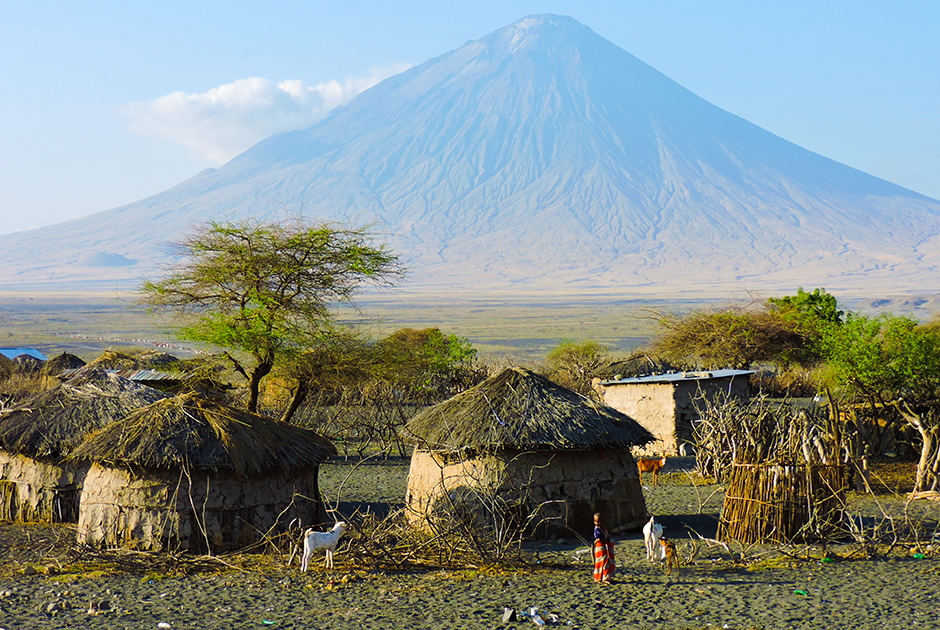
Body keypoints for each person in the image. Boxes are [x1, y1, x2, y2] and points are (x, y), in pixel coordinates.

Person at [592, 512, 615, 583]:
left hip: (605, 548)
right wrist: (606, 540)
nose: (599, 523)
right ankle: (600, 577)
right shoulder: (597, 530)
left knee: (606, 562)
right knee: (601, 562)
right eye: (597, 522)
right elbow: (600, 539)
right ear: (594, 522)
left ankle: (606, 576)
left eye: (601, 522)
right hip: (600, 549)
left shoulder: (603, 529)